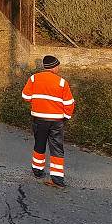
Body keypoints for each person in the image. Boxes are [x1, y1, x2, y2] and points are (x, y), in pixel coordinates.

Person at [21, 55, 75, 189]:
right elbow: (69, 104)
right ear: (54, 67)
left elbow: (25, 96)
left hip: (39, 119)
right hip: (57, 121)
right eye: (58, 66)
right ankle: (57, 180)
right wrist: (66, 117)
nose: (59, 68)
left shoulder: (34, 78)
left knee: (39, 145)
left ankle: (38, 172)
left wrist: (38, 100)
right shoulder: (62, 82)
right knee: (57, 148)